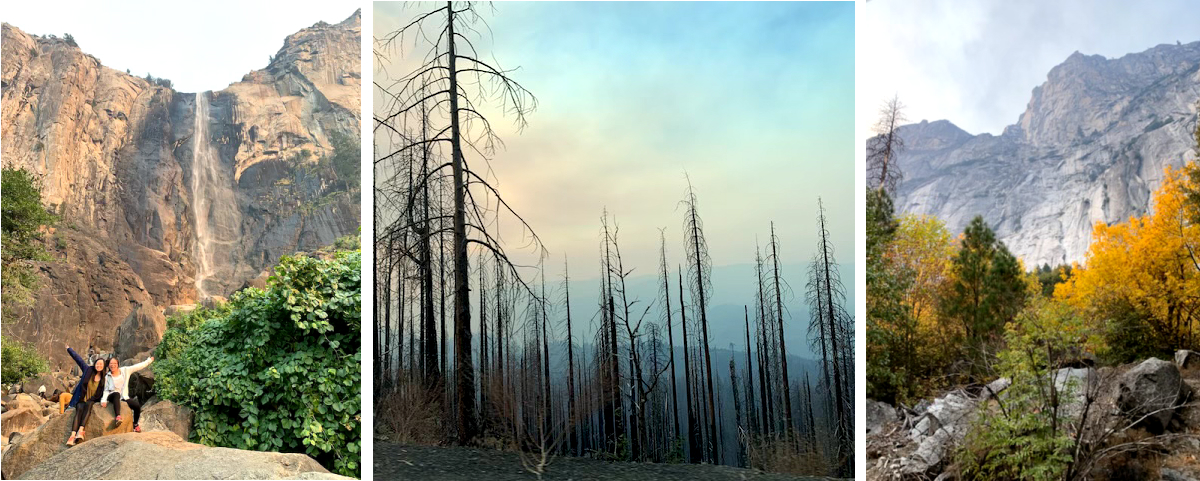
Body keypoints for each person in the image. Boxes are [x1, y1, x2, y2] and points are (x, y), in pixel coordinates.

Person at [64, 345, 106, 445]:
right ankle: (72, 436)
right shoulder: (88, 370)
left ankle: (81, 430)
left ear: (104, 366)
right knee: (79, 410)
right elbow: (78, 359)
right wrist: (69, 349)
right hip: (81, 398)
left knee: (88, 406)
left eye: (101, 364)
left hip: (92, 400)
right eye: (97, 363)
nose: (98, 365)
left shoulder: (105, 379)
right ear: (94, 364)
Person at [100, 356, 153, 432]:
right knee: (116, 394)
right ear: (109, 365)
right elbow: (106, 390)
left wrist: (148, 361)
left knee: (136, 406)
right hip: (112, 396)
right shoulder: (107, 376)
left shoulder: (125, 370)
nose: (113, 365)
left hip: (123, 397)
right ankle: (118, 417)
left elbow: (137, 367)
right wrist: (104, 400)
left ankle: (135, 424)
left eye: (114, 363)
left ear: (118, 364)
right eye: (111, 363)